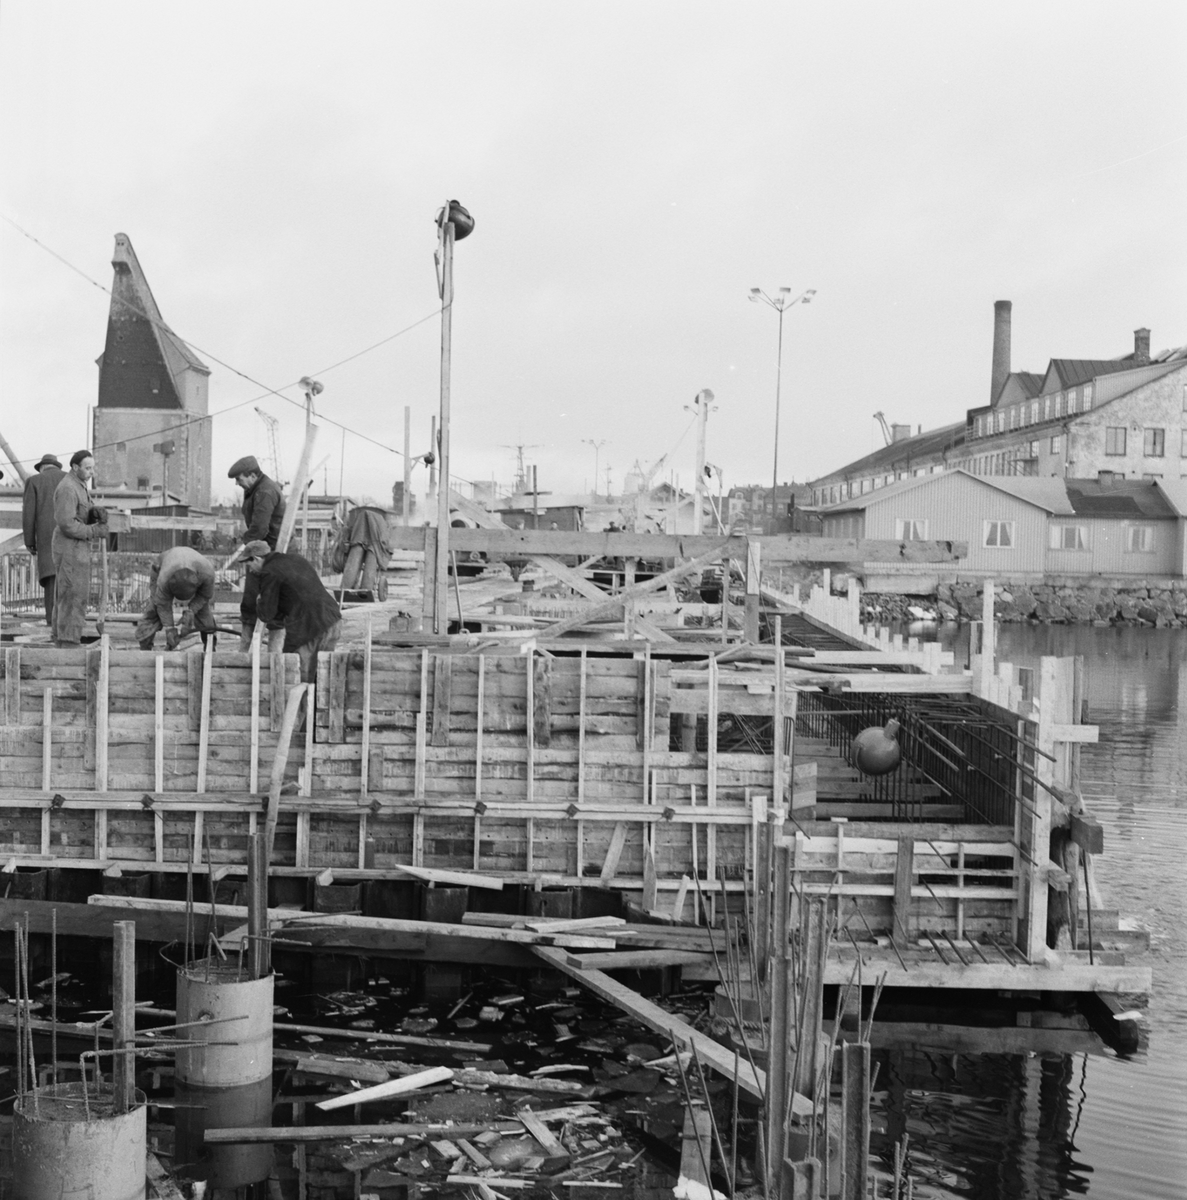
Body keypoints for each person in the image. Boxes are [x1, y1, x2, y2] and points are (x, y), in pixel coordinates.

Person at [242, 540, 341, 683]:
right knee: (323, 679)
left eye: (249, 565)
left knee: (296, 677)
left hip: (309, 628)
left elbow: (266, 614)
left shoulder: (269, 571)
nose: (250, 570)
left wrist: (259, 601)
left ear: (257, 559)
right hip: (333, 619)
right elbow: (294, 592)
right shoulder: (296, 559)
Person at [227, 455, 286, 649]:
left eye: (239, 479)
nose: (237, 483)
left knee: (272, 604)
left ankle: (272, 655)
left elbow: (259, 529)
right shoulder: (254, 489)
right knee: (251, 603)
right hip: (261, 549)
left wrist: (245, 544)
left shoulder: (265, 491)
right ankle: (247, 653)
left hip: (272, 552)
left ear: (252, 475)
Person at [51, 450, 106, 647]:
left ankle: (64, 639)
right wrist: (94, 531)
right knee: (72, 594)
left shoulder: (79, 486)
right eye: (88, 468)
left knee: (74, 592)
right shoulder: (68, 488)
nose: (92, 472)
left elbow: (81, 513)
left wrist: (95, 512)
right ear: (75, 467)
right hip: (69, 547)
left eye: (93, 468)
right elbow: (66, 523)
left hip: (77, 546)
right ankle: (68, 642)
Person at [134, 546, 217, 650]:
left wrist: (192, 610)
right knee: (155, 608)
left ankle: (210, 648)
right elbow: (163, 605)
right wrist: (169, 629)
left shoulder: (207, 574)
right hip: (160, 566)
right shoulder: (163, 579)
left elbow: (204, 596)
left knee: (203, 611)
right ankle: (145, 648)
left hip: (193, 567)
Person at [21, 453, 65, 626]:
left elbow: (28, 515)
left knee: (51, 579)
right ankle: (68, 622)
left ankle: (52, 621)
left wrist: (29, 541)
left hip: (47, 539)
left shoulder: (34, 481)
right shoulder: (71, 479)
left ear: (41, 467)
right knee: (69, 580)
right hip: (70, 537)